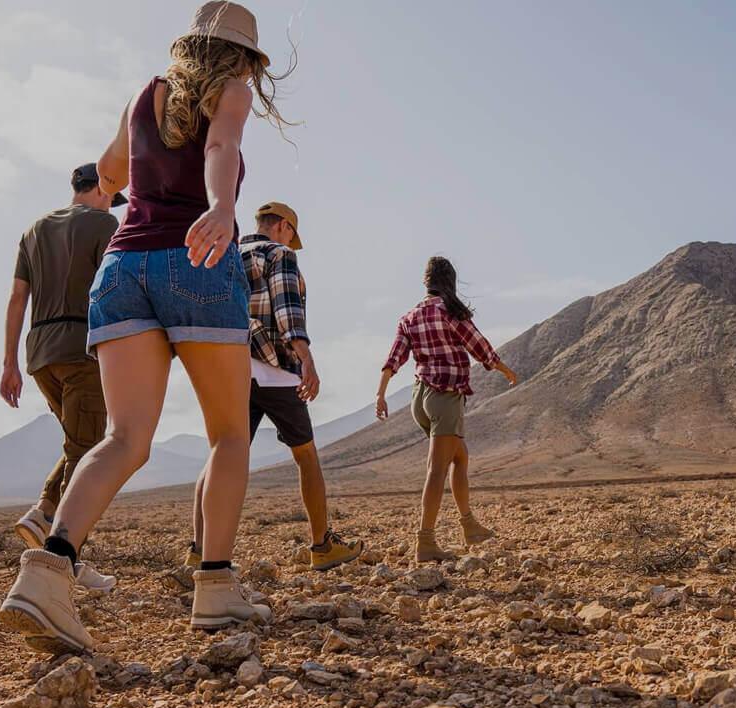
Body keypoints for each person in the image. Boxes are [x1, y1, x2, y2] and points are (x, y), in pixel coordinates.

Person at [0, 0, 288, 654]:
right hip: (197, 258)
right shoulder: (232, 89)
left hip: (122, 266)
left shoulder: (143, 96)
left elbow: (109, 172)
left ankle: (47, 572)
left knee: (124, 437)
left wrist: (149, 161)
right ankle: (214, 588)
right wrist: (219, 203)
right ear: (242, 57)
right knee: (229, 435)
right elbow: (221, 144)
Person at [189, 202, 363, 573]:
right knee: (305, 455)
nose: (290, 242)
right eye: (290, 234)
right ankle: (322, 545)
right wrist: (306, 358)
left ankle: (197, 549)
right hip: (274, 371)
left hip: (227, 369)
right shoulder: (278, 254)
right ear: (283, 226)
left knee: (221, 454)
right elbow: (286, 309)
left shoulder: (225, 255)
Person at [0, 163, 126, 592]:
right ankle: (58, 562)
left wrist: (9, 362)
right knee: (92, 453)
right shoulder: (104, 224)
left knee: (80, 444)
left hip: (39, 355)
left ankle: (45, 515)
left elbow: (18, 297)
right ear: (103, 190)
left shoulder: (32, 230)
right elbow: (114, 288)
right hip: (82, 348)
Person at [376, 256, 518, 563]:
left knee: (459, 456)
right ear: (449, 281)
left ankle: (470, 526)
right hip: (445, 396)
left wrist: (381, 394)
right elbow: (482, 349)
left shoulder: (409, 316)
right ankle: (425, 541)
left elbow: (394, 359)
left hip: (420, 398)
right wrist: (508, 372)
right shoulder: (451, 311)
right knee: (437, 469)